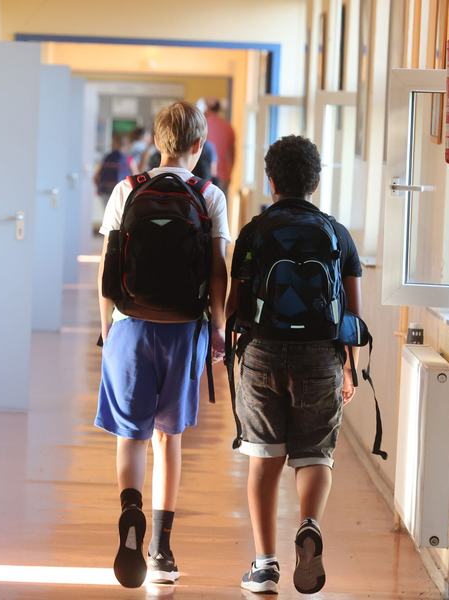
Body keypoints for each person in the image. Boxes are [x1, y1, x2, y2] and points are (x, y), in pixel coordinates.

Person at [96, 101, 231, 588]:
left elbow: (108, 264)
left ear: (157, 143)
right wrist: (217, 327)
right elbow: (218, 271)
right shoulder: (209, 195)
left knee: (129, 435)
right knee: (167, 438)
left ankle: (131, 511)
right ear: (199, 146)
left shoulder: (126, 189)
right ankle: (162, 549)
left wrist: (108, 327)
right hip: (183, 328)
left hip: (130, 324)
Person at [226, 135, 363, 595]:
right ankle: (308, 526)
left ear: (271, 182)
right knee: (315, 453)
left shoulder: (254, 231)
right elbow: (353, 317)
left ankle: (265, 566)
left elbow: (234, 303)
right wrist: (350, 369)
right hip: (321, 356)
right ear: (317, 182)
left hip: (263, 351)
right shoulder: (336, 233)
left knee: (265, 458)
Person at [94, 134, 137, 205]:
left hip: (106, 190)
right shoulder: (128, 159)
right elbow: (136, 176)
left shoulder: (107, 158)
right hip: (122, 191)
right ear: (127, 145)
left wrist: (98, 188)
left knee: (107, 214)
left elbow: (95, 177)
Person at [204, 99, 236, 195]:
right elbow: (233, 153)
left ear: (207, 109)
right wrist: (230, 174)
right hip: (223, 175)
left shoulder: (203, 124)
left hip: (205, 175)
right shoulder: (228, 126)